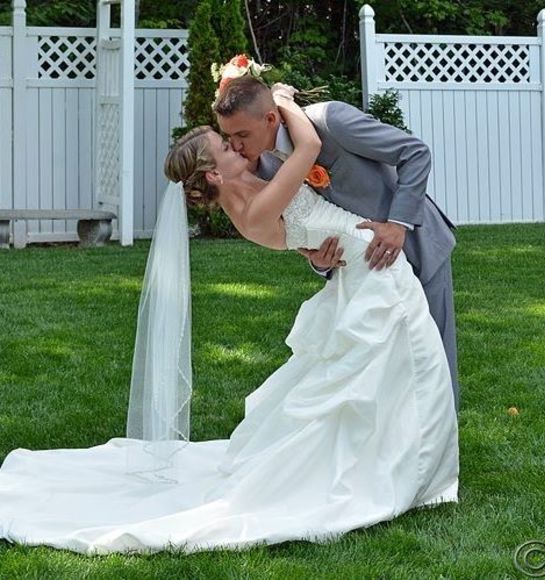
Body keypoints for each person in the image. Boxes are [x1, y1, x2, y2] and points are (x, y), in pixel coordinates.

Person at [0, 88, 459, 555]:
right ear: (215, 172)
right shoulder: (253, 207)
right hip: (372, 272)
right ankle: (407, 469)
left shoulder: (263, 176)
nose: (236, 145)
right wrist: (284, 101)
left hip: (376, 266)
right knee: (403, 369)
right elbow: (309, 151)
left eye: (235, 137)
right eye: (225, 143)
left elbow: (310, 230)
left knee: (397, 371)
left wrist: (318, 255)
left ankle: (404, 460)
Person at [214, 77, 460, 412]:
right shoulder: (268, 169)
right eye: (229, 137)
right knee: (381, 372)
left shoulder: (331, 121)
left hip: (417, 248)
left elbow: (414, 152)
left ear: (270, 118)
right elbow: (306, 225)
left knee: (432, 358)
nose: (236, 146)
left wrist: (398, 223)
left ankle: (442, 438)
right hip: (362, 276)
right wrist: (319, 262)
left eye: (242, 135)